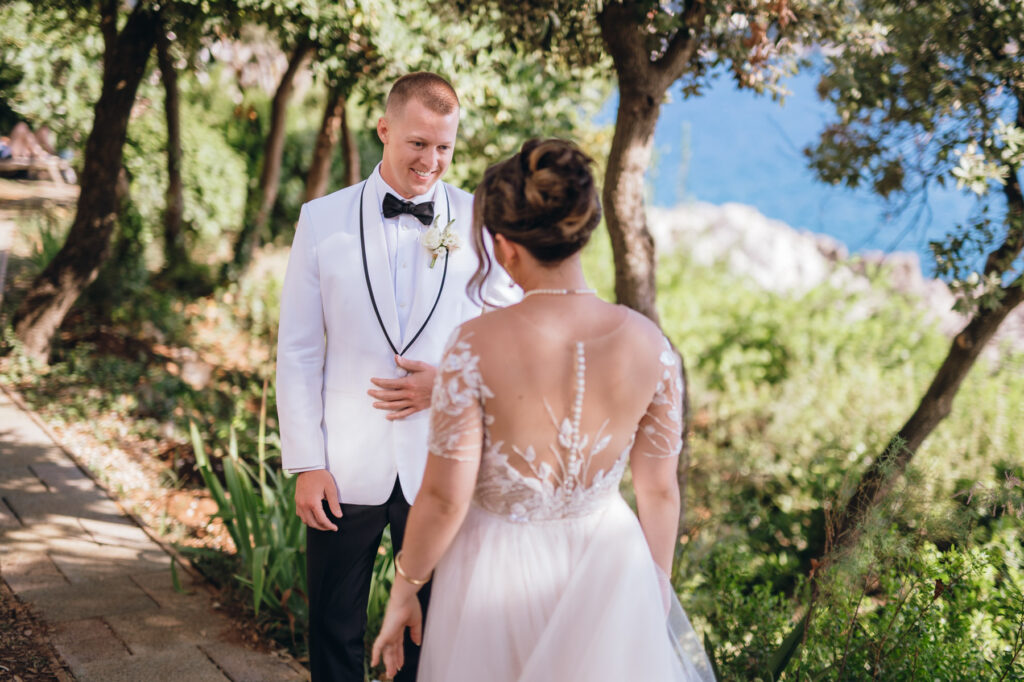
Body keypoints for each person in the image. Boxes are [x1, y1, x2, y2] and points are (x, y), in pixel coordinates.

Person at [370, 139, 717, 681]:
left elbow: (443, 497)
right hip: (611, 564)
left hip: (494, 576)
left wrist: (405, 587)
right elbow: (660, 491)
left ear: (505, 246)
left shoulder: (474, 344)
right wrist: (655, 593)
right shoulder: (652, 345)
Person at [275, 72, 517, 681]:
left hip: (442, 466)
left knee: (429, 636)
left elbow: (517, 335)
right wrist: (307, 462)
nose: (431, 161)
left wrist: (452, 383)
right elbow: (299, 349)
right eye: (417, 144)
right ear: (384, 130)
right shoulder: (321, 219)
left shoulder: (479, 221)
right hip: (342, 465)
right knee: (333, 629)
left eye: (444, 148)